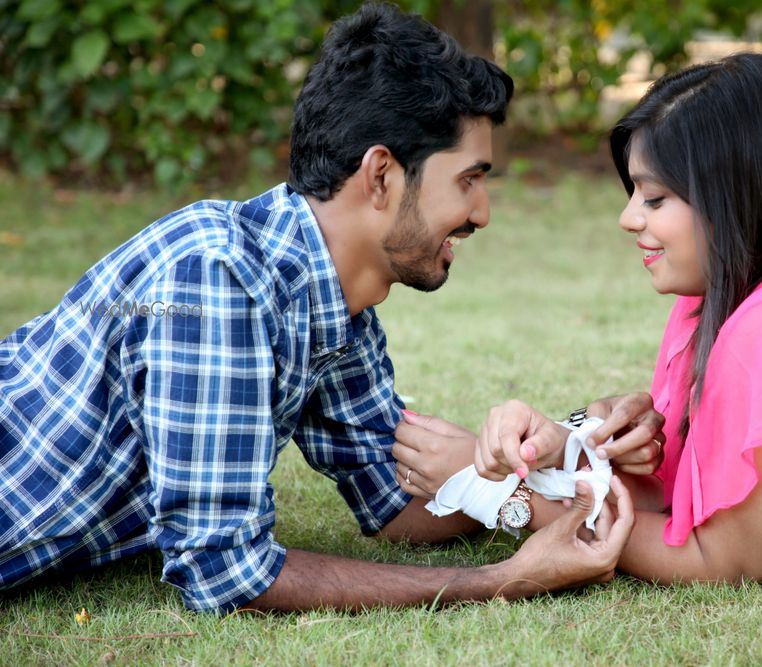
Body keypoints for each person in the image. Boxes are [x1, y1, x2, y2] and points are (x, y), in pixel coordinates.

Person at [0, 2, 636, 614]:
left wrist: (522, 461)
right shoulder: (222, 280)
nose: (482, 213)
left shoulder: (329, 297)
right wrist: (503, 579)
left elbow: (394, 502)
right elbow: (224, 573)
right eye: (468, 179)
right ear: (381, 174)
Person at [400, 53, 762, 594]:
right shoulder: (716, 300)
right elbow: (679, 483)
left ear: (739, 198)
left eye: (655, 198)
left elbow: (725, 555)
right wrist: (566, 445)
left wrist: (507, 495)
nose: (627, 217)